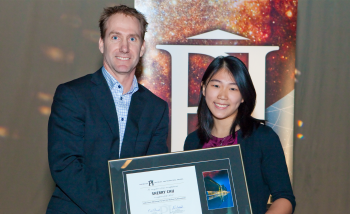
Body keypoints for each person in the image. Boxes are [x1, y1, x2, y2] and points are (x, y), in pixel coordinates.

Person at [46, 5, 169, 214]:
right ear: (101, 43)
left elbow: (154, 173)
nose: (124, 47)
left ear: (142, 48)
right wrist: (113, 210)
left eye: (132, 38)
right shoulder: (72, 95)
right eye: (115, 37)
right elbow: (65, 164)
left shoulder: (156, 108)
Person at [184, 56, 295, 214]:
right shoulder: (192, 142)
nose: (223, 95)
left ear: (243, 95)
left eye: (233, 88)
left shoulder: (263, 138)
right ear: (203, 88)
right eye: (216, 85)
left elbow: (284, 198)